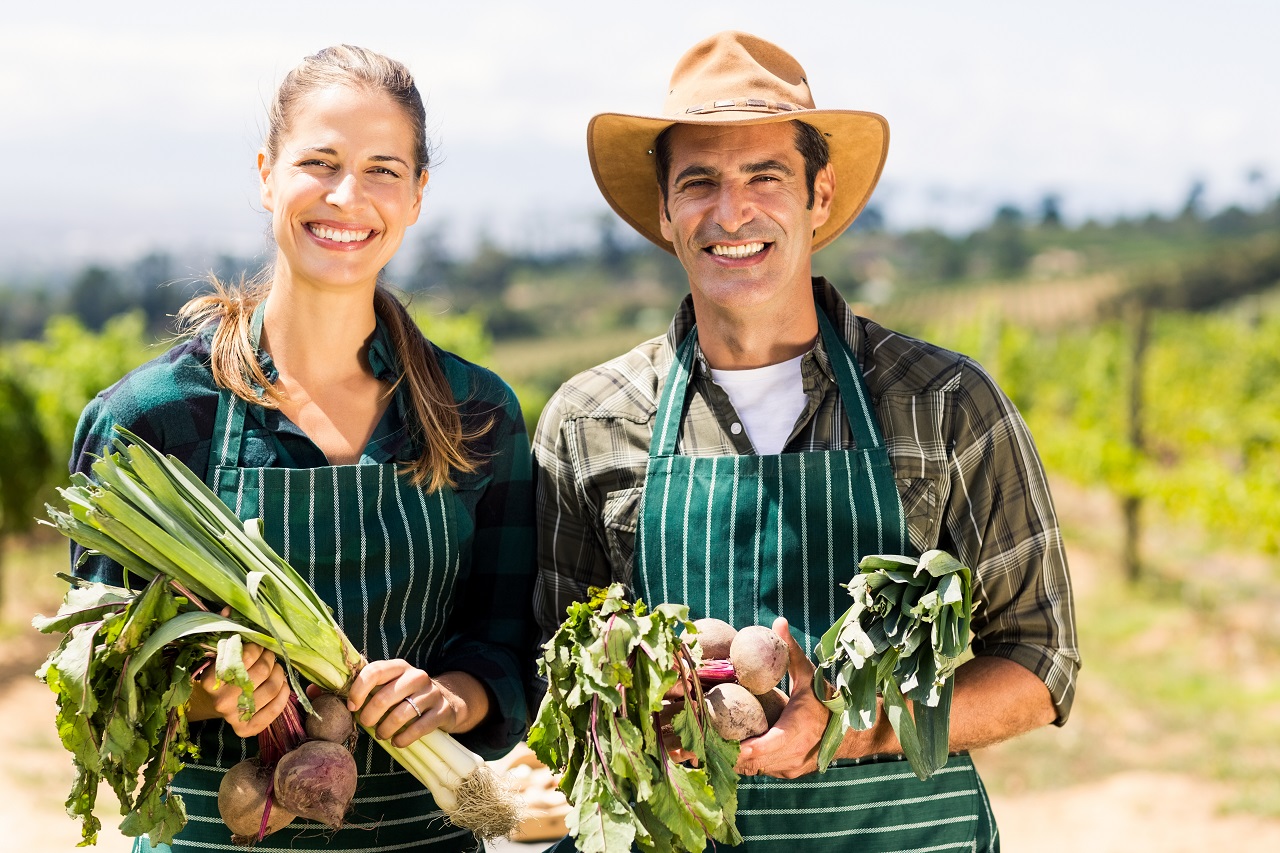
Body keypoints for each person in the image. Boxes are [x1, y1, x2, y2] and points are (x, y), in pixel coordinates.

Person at [533, 31, 1079, 850]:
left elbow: (1042, 664)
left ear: (819, 196)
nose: (732, 211)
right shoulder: (589, 421)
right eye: (699, 182)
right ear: (663, 208)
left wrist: (854, 726)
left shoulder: (946, 404)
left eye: (766, 176)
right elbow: (555, 672)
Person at [69, 45, 536, 852]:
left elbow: (506, 645)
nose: (347, 196)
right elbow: (95, 686)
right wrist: (210, 688)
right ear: (266, 175)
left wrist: (449, 701)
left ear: (419, 194)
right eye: (319, 162)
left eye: (383, 169)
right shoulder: (150, 421)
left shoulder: (475, 410)